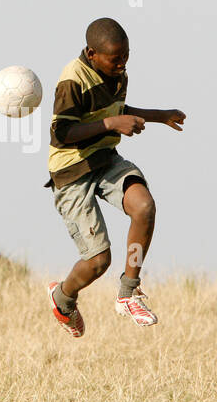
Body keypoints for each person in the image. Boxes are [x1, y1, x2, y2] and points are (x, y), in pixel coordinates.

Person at [45, 18, 186, 335]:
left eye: (126, 56)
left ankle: (128, 292)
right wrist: (111, 125)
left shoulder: (116, 72)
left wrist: (160, 116)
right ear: (92, 54)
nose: (121, 63)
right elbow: (62, 132)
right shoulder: (72, 80)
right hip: (72, 172)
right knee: (98, 261)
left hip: (105, 159)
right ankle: (63, 297)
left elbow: (115, 108)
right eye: (114, 58)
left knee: (144, 207)